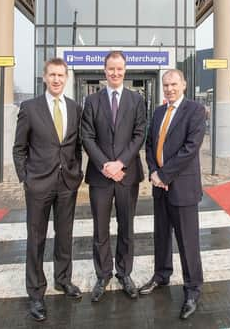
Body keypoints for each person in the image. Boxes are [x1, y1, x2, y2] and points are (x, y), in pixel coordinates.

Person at [13, 58, 84, 322]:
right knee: (36, 239)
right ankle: (35, 293)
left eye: (60, 75)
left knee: (65, 235)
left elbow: (75, 146)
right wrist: (26, 178)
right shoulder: (30, 108)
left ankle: (63, 280)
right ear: (44, 77)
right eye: (52, 75)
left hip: (67, 183)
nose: (56, 80)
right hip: (38, 184)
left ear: (66, 78)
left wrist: (76, 173)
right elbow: (19, 148)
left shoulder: (75, 108)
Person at [140, 69, 206, 320]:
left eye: (173, 84)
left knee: (188, 242)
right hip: (160, 187)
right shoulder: (158, 112)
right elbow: (149, 145)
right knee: (161, 237)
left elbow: (190, 149)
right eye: (166, 84)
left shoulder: (195, 111)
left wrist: (165, 175)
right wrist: (155, 173)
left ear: (184, 85)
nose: (169, 89)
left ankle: (192, 290)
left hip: (182, 188)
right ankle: (161, 275)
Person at [81, 50, 146, 302]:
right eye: (111, 69)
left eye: (119, 69)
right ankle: (103, 274)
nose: (115, 73)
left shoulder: (136, 100)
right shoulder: (92, 101)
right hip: (100, 177)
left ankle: (124, 273)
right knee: (100, 229)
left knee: (126, 227)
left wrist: (120, 164)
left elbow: (139, 134)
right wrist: (105, 165)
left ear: (125, 71)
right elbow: (87, 136)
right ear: (104, 70)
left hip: (127, 175)